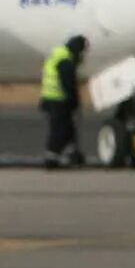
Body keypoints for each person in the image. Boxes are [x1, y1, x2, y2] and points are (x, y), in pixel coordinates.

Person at [40, 34, 88, 168]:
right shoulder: (65, 60)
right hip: (58, 100)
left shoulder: (58, 53)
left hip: (50, 98)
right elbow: (67, 83)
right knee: (59, 130)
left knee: (68, 128)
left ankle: (71, 153)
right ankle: (51, 158)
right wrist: (74, 100)